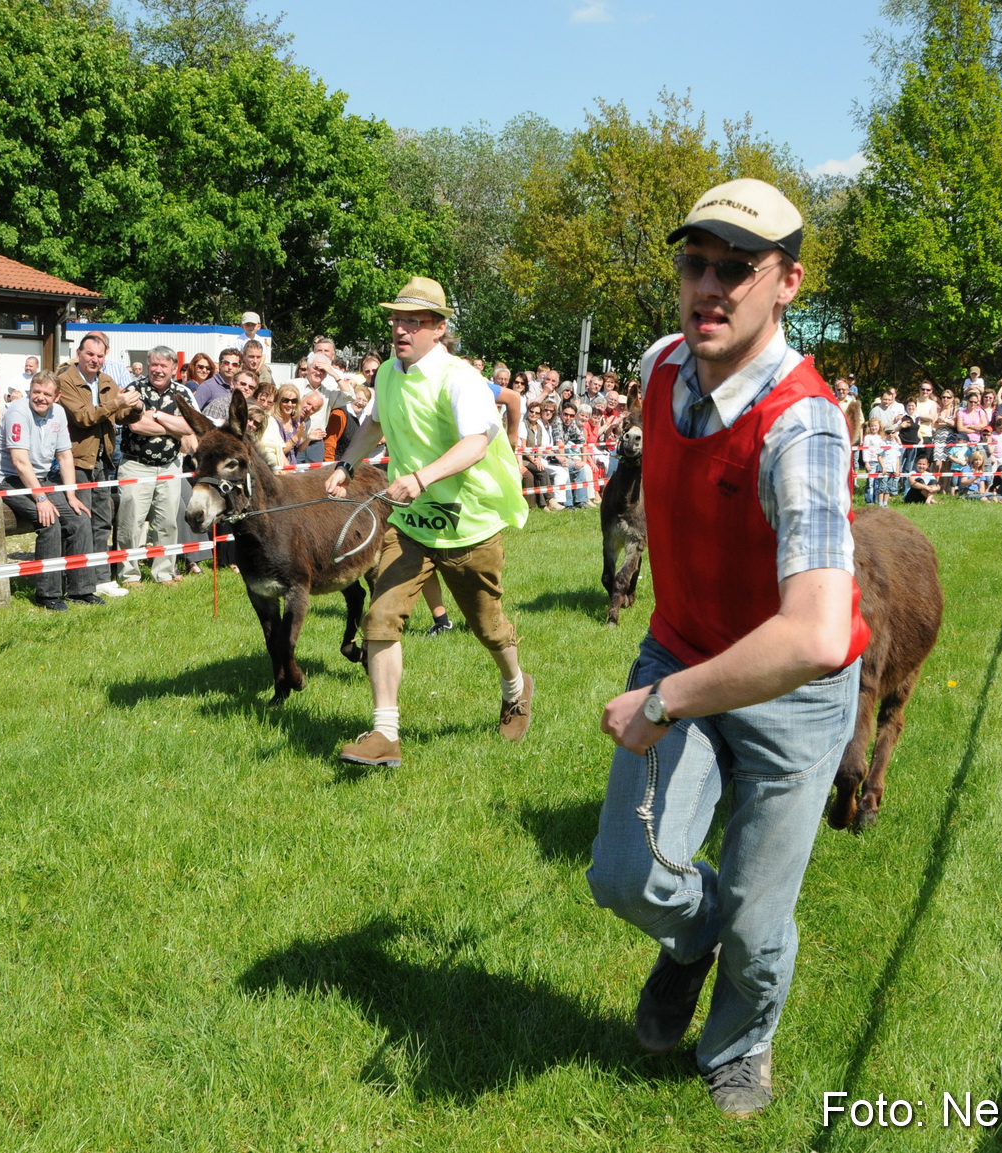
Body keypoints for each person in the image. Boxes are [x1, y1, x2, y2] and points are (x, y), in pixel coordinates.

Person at [586, 180, 866, 1120]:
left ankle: (740, 1043)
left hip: (796, 692)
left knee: (758, 913)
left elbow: (817, 632)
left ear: (787, 281)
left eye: (735, 270)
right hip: (682, 648)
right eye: (693, 263)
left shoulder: (804, 425)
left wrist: (663, 703)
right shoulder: (662, 366)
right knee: (625, 876)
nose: (707, 286)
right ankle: (686, 941)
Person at [324, 274, 533, 767]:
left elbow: (476, 442)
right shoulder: (388, 375)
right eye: (397, 319)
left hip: (469, 525)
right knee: (381, 617)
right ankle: (384, 734)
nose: (401, 329)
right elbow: (374, 424)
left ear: (438, 328)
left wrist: (419, 478)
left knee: (489, 628)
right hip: (412, 524)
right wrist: (345, 466)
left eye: (413, 321)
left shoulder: (460, 378)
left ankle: (516, 687)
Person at [0, 372, 96, 610]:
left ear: (57, 396)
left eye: (47, 394)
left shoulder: (59, 413)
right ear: (30, 391)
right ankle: (48, 594)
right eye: (36, 392)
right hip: (7, 478)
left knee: (79, 518)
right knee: (49, 520)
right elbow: (19, 461)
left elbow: (65, 455)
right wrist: (41, 498)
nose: (40, 398)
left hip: (40, 477)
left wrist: (70, 495)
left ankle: (81, 590)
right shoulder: (17, 412)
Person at [55, 331, 141, 599]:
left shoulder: (106, 380)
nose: (95, 360)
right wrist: (117, 402)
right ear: (78, 354)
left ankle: (102, 578)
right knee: (81, 521)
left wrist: (136, 407)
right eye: (90, 354)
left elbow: (121, 415)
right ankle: (80, 580)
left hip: (103, 459)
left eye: (100, 356)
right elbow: (82, 417)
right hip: (77, 459)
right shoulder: (65, 380)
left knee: (102, 521)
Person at [117, 346, 197, 585]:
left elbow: (190, 426)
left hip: (170, 466)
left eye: (164, 366)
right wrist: (173, 427)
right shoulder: (134, 389)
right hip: (136, 465)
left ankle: (163, 573)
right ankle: (129, 574)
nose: (158, 370)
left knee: (168, 522)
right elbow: (136, 426)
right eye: (154, 365)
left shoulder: (183, 393)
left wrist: (156, 416)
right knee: (131, 522)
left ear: (173, 368)